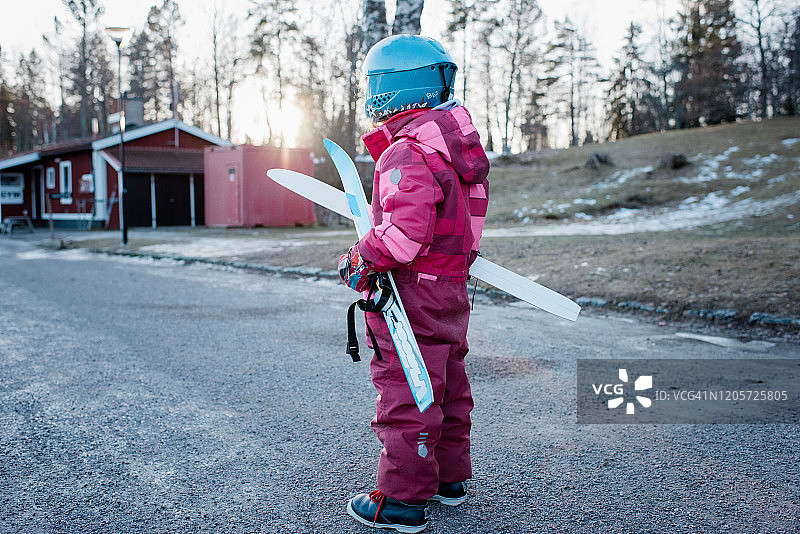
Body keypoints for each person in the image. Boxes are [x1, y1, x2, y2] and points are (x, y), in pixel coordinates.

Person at [337, 34, 490, 533]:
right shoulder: (456, 151)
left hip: (411, 293)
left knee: (406, 388)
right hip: (450, 290)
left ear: (391, 88)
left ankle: (402, 499)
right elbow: (464, 227)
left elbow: (404, 235)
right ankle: (448, 479)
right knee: (446, 384)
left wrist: (362, 257)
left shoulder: (406, 153)